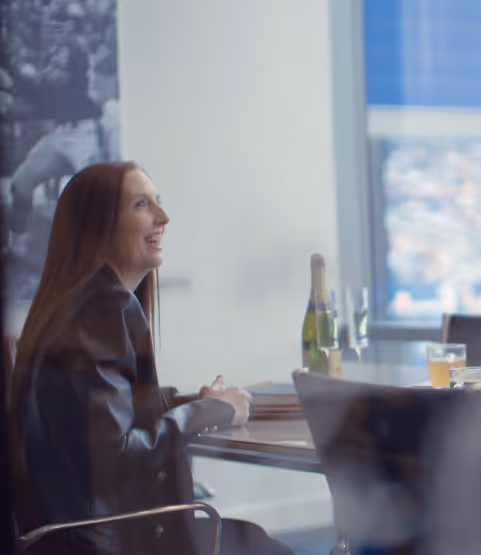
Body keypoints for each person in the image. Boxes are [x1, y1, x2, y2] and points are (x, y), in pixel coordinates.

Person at [8, 162, 291, 555]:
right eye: (142, 204)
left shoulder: (69, 310)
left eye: (158, 201)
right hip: (110, 542)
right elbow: (117, 456)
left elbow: (102, 419)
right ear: (97, 229)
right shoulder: (105, 310)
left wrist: (193, 403)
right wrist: (213, 411)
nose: (164, 217)